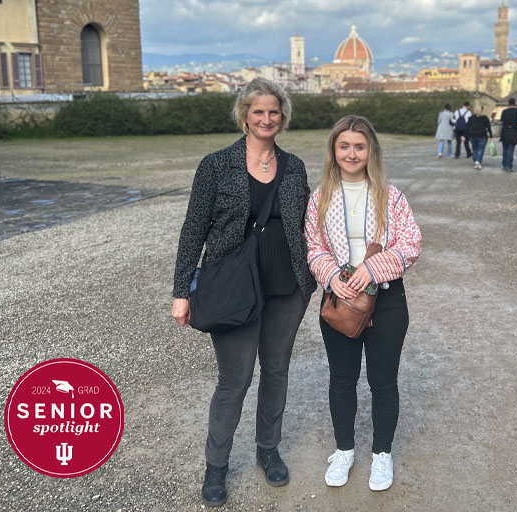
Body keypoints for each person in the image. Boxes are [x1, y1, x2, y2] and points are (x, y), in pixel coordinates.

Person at [171, 78, 316, 508]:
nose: (267, 119)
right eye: (258, 112)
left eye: (274, 112)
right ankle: (216, 466)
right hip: (234, 287)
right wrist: (182, 291)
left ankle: (267, 450)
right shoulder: (216, 165)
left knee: (276, 371)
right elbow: (193, 229)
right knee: (234, 381)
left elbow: (309, 223)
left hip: (286, 286)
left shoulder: (295, 167)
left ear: (283, 117)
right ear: (244, 116)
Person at [304, 115, 422, 492]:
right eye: (344, 146)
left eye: (359, 146)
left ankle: (382, 454)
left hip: (386, 300)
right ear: (333, 150)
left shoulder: (391, 196)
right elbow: (314, 247)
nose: (351, 153)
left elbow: (410, 243)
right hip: (340, 300)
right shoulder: (320, 197)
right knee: (342, 380)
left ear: (370, 150)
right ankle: (344, 449)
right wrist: (333, 278)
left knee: (383, 382)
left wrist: (373, 268)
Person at [462, 105, 493, 170]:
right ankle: (478, 161)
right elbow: (488, 127)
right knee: (480, 149)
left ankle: (476, 161)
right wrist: (491, 135)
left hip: (472, 135)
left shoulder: (471, 118)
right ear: (482, 110)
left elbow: (467, 127)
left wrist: (464, 135)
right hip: (482, 135)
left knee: (475, 149)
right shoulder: (485, 118)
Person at [499, 98, 517, 172]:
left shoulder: (504, 111)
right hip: (513, 131)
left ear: (508, 104)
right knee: (511, 150)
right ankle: (509, 166)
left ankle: (504, 165)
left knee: (505, 150)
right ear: (514, 104)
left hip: (505, 131)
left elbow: (501, 120)